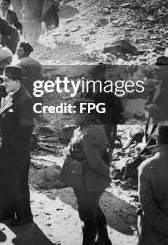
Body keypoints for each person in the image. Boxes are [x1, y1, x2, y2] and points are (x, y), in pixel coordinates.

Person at [61, 97, 111, 245]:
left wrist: (110, 173)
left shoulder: (88, 133)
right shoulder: (92, 125)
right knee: (94, 209)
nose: (72, 115)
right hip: (89, 180)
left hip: (87, 182)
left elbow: (95, 162)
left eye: (75, 112)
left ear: (84, 113)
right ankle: (104, 239)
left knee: (87, 217)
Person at [0, 65, 34, 226]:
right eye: (3, 80)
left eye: (7, 81)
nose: (4, 84)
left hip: (16, 150)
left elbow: (26, 128)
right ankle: (6, 212)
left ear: (17, 81)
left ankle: (24, 216)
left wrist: (9, 147)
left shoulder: (25, 99)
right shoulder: (11, 94)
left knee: (18, 184)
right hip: (4, 146)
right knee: (4, 180)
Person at [145, 56, 168, 127]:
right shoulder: (162, 81)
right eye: (156, 70)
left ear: (167, 71)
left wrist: (149, 107)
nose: (156, 72)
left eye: (159, 70)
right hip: (161, 113)